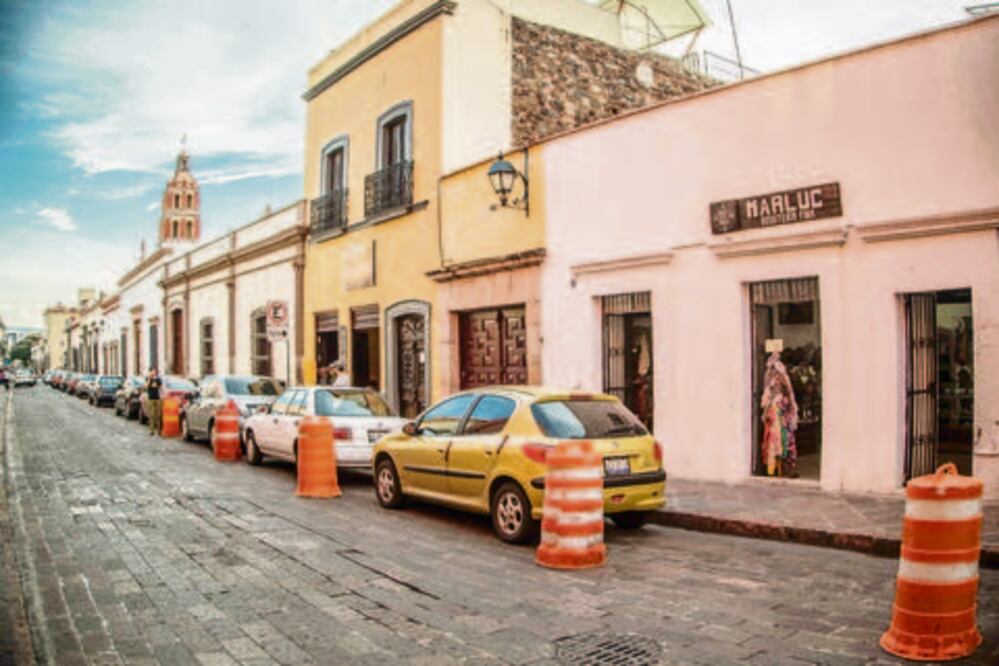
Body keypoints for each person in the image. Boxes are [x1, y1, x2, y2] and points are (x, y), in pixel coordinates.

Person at [145, 368, 163, 436]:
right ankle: (151, 430)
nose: (153, 372)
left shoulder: (158, 379)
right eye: (152, 371)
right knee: (152, 415)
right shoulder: (148, 378)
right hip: (151, 398)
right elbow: (146, 386)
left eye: (154, 371)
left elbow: (161, 387)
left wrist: (163, 394)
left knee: (158, 415)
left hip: (158, 398)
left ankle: (159, 430)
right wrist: (150, 378)